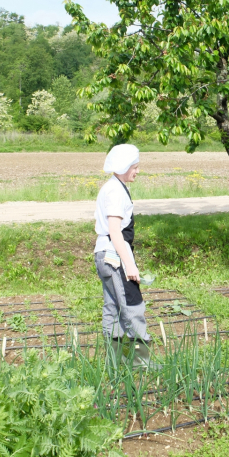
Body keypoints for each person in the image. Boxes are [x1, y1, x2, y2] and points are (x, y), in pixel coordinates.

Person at [93, 144, 157, 369]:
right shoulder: (115, 192)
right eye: (135, 167)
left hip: (105, 254)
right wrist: (130, 265)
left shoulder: (113, 187)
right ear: (123, 166)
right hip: (114, 255)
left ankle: (116, 360)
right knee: (132, 305)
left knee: (112, 306)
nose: (138, 171)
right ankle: (142, 362)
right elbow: (115, 232)